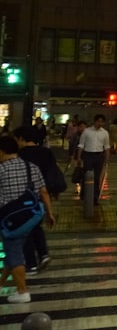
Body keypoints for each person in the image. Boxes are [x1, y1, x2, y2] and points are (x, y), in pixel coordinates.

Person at [0, 135, 55, 302]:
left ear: (1, 152)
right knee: (13, 252)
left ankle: (23, 292)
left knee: (15, 254)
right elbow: (43, 191)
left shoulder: (1, 170)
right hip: (31, 217)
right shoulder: (31, 167)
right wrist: (50, 213)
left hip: (10, 220)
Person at [13, 126, 55, 275]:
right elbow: (52, 174)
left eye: (17, 139)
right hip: (41, 195)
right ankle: (43, 254)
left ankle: (30, 264)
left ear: (22, 139)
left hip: (23, 198)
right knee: (37, 226)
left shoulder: (18, 155)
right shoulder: (46, 153)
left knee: (26, 230)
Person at [74, 114, 112, 204]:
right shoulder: (87, 131)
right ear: (94, 121)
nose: (100, 123)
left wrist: (107, 158)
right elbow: (81, 145)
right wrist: (79, 157)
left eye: (102, 121)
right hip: (88, 155)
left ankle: (95, 197)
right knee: (86, 175)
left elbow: (107, 146)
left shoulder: (105, 133)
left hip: (99, 155)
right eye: (98, 121)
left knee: (97, 177)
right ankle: (84, 194)